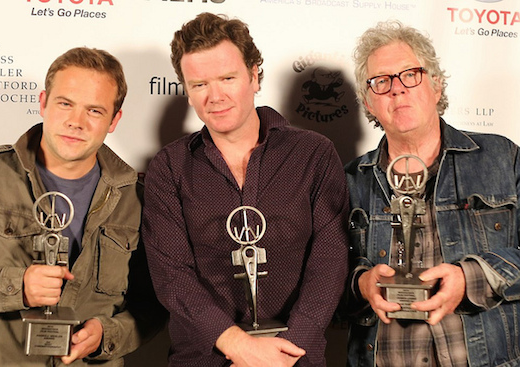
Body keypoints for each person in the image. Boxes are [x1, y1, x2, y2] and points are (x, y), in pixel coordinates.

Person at [142, 12, 349, 367]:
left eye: (227, 78)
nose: (215, 96)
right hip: (204, 358)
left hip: (295, 358)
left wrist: (286, 350)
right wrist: (240, 347)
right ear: (188, 92)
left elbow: (329, 261)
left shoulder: (313, 154)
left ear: (254, 76)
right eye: (200, 84)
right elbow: (173, 276)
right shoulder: (169, 167)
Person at [0, 47, 165, 366]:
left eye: (94, 111)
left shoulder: (139, 200)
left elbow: (154, 305)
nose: (76, 122)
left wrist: (109, 333)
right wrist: (15, 286)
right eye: (65, 104)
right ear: (43, 103)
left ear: (114, 120)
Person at [344, 20, 520, 366]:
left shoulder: (503, 158)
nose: (397, 89)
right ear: (368, 102)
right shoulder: (349, 181)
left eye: (410, 74)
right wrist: (361, 283)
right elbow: (320, 282)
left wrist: (471, 278)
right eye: (381, 82)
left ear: (436, 85)